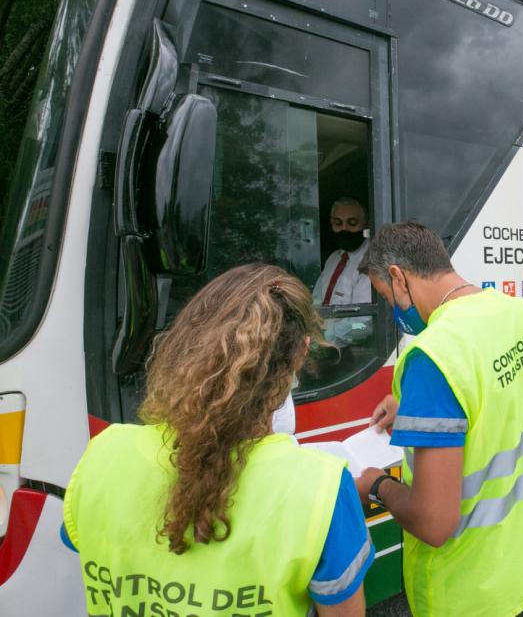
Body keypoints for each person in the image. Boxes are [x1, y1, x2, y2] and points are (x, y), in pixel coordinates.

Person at [61, 264, 373, 616]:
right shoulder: (324, 489)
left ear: (189, 344)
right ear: (301, 352)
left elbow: (84, 544)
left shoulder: (104, 453)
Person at [355, 222, 523, 617]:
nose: (392, 310)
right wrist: (415, 408)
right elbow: (497, 402)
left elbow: (433, 523)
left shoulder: (434, 355)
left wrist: (378, 485)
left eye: (385, 297)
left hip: (467, 591)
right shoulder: (516, 313)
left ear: (398, 277)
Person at [313, 197, 371, 306]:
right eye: (338, 223)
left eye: (352, 223)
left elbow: (362, 318)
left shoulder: (371, 259)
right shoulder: (333, 258)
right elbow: (315, 300)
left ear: (365, 224)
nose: (344, 228)